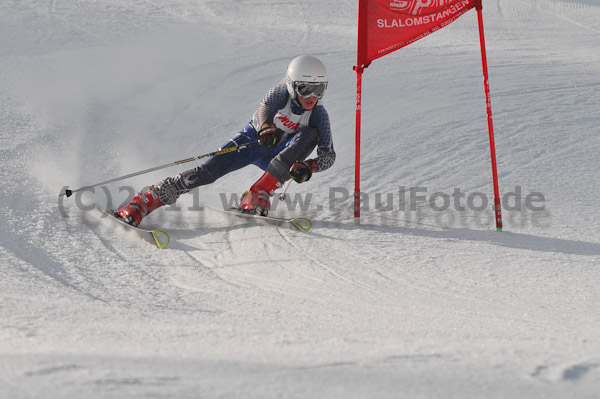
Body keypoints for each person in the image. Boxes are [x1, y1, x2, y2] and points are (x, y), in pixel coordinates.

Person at [115, 55, 335, 227]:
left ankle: (258, 194)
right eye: (305, 88)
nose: (312, 97)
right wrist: (266, 127)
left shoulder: (318, 115)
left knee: (310, 135)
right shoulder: (281, 93)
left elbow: (329, 155)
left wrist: (308, 167)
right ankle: (145, 201)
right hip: (253, 141)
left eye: (319, 89)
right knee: (207, 173)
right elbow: (264, 108)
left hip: (281, 157)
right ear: (291, 85)